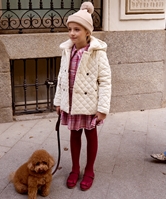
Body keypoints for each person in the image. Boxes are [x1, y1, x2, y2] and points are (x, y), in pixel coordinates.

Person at [54, 2, 111, 191]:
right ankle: (75, 168)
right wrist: (58, 101)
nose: (72, 33)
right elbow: (61, 77)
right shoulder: (67, 50)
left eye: (77, 29)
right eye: (70, 29)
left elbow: (105, 81)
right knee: (74, 134)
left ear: (87, 31)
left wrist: (102, 109)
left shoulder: (97, 53)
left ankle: (89, 170)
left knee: (91, 136)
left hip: (89, 103)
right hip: (70, 102)